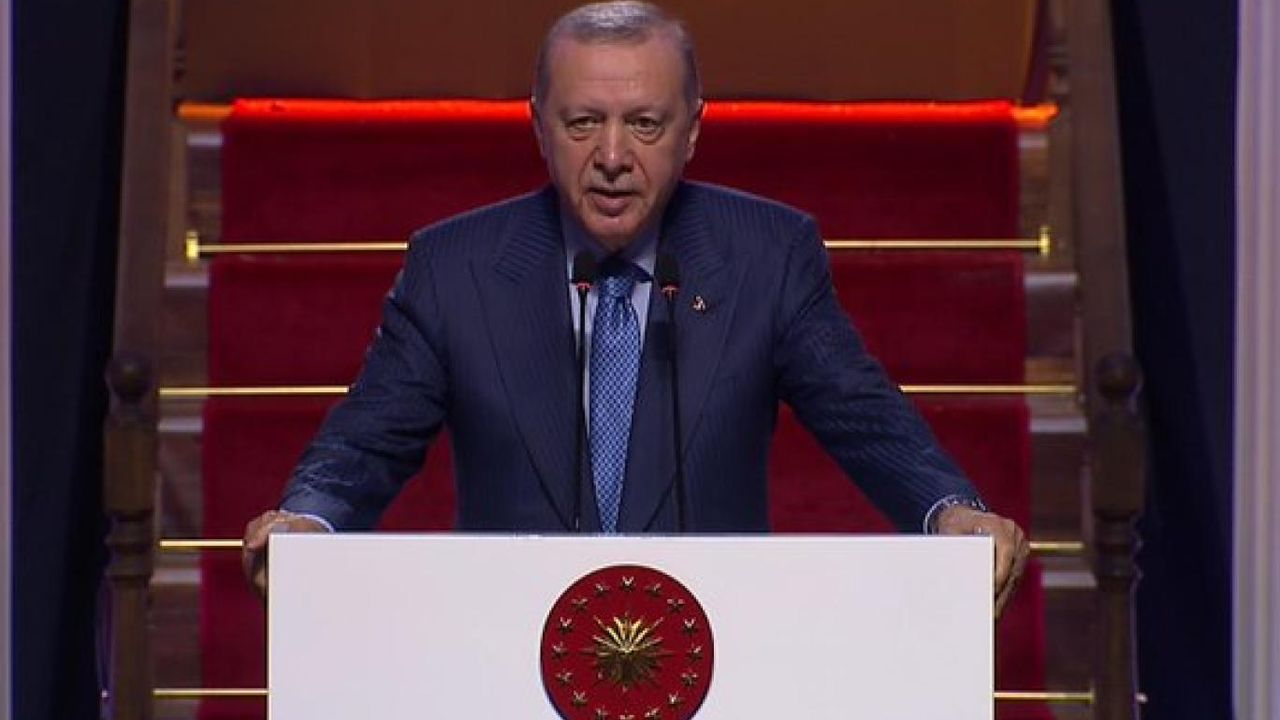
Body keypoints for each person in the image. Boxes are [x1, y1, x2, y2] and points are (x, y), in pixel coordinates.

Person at [242, 0, 1030, 615]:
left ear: (693, 131)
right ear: (538, 127)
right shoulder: (455, 269)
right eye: (584, 122)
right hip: (504, 649)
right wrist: (309, 521)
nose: (613, 157)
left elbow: (862, 413)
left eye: (644, 124)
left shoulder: (767, 255)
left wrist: (949, 511)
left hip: (715, 651)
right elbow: (369, 437)